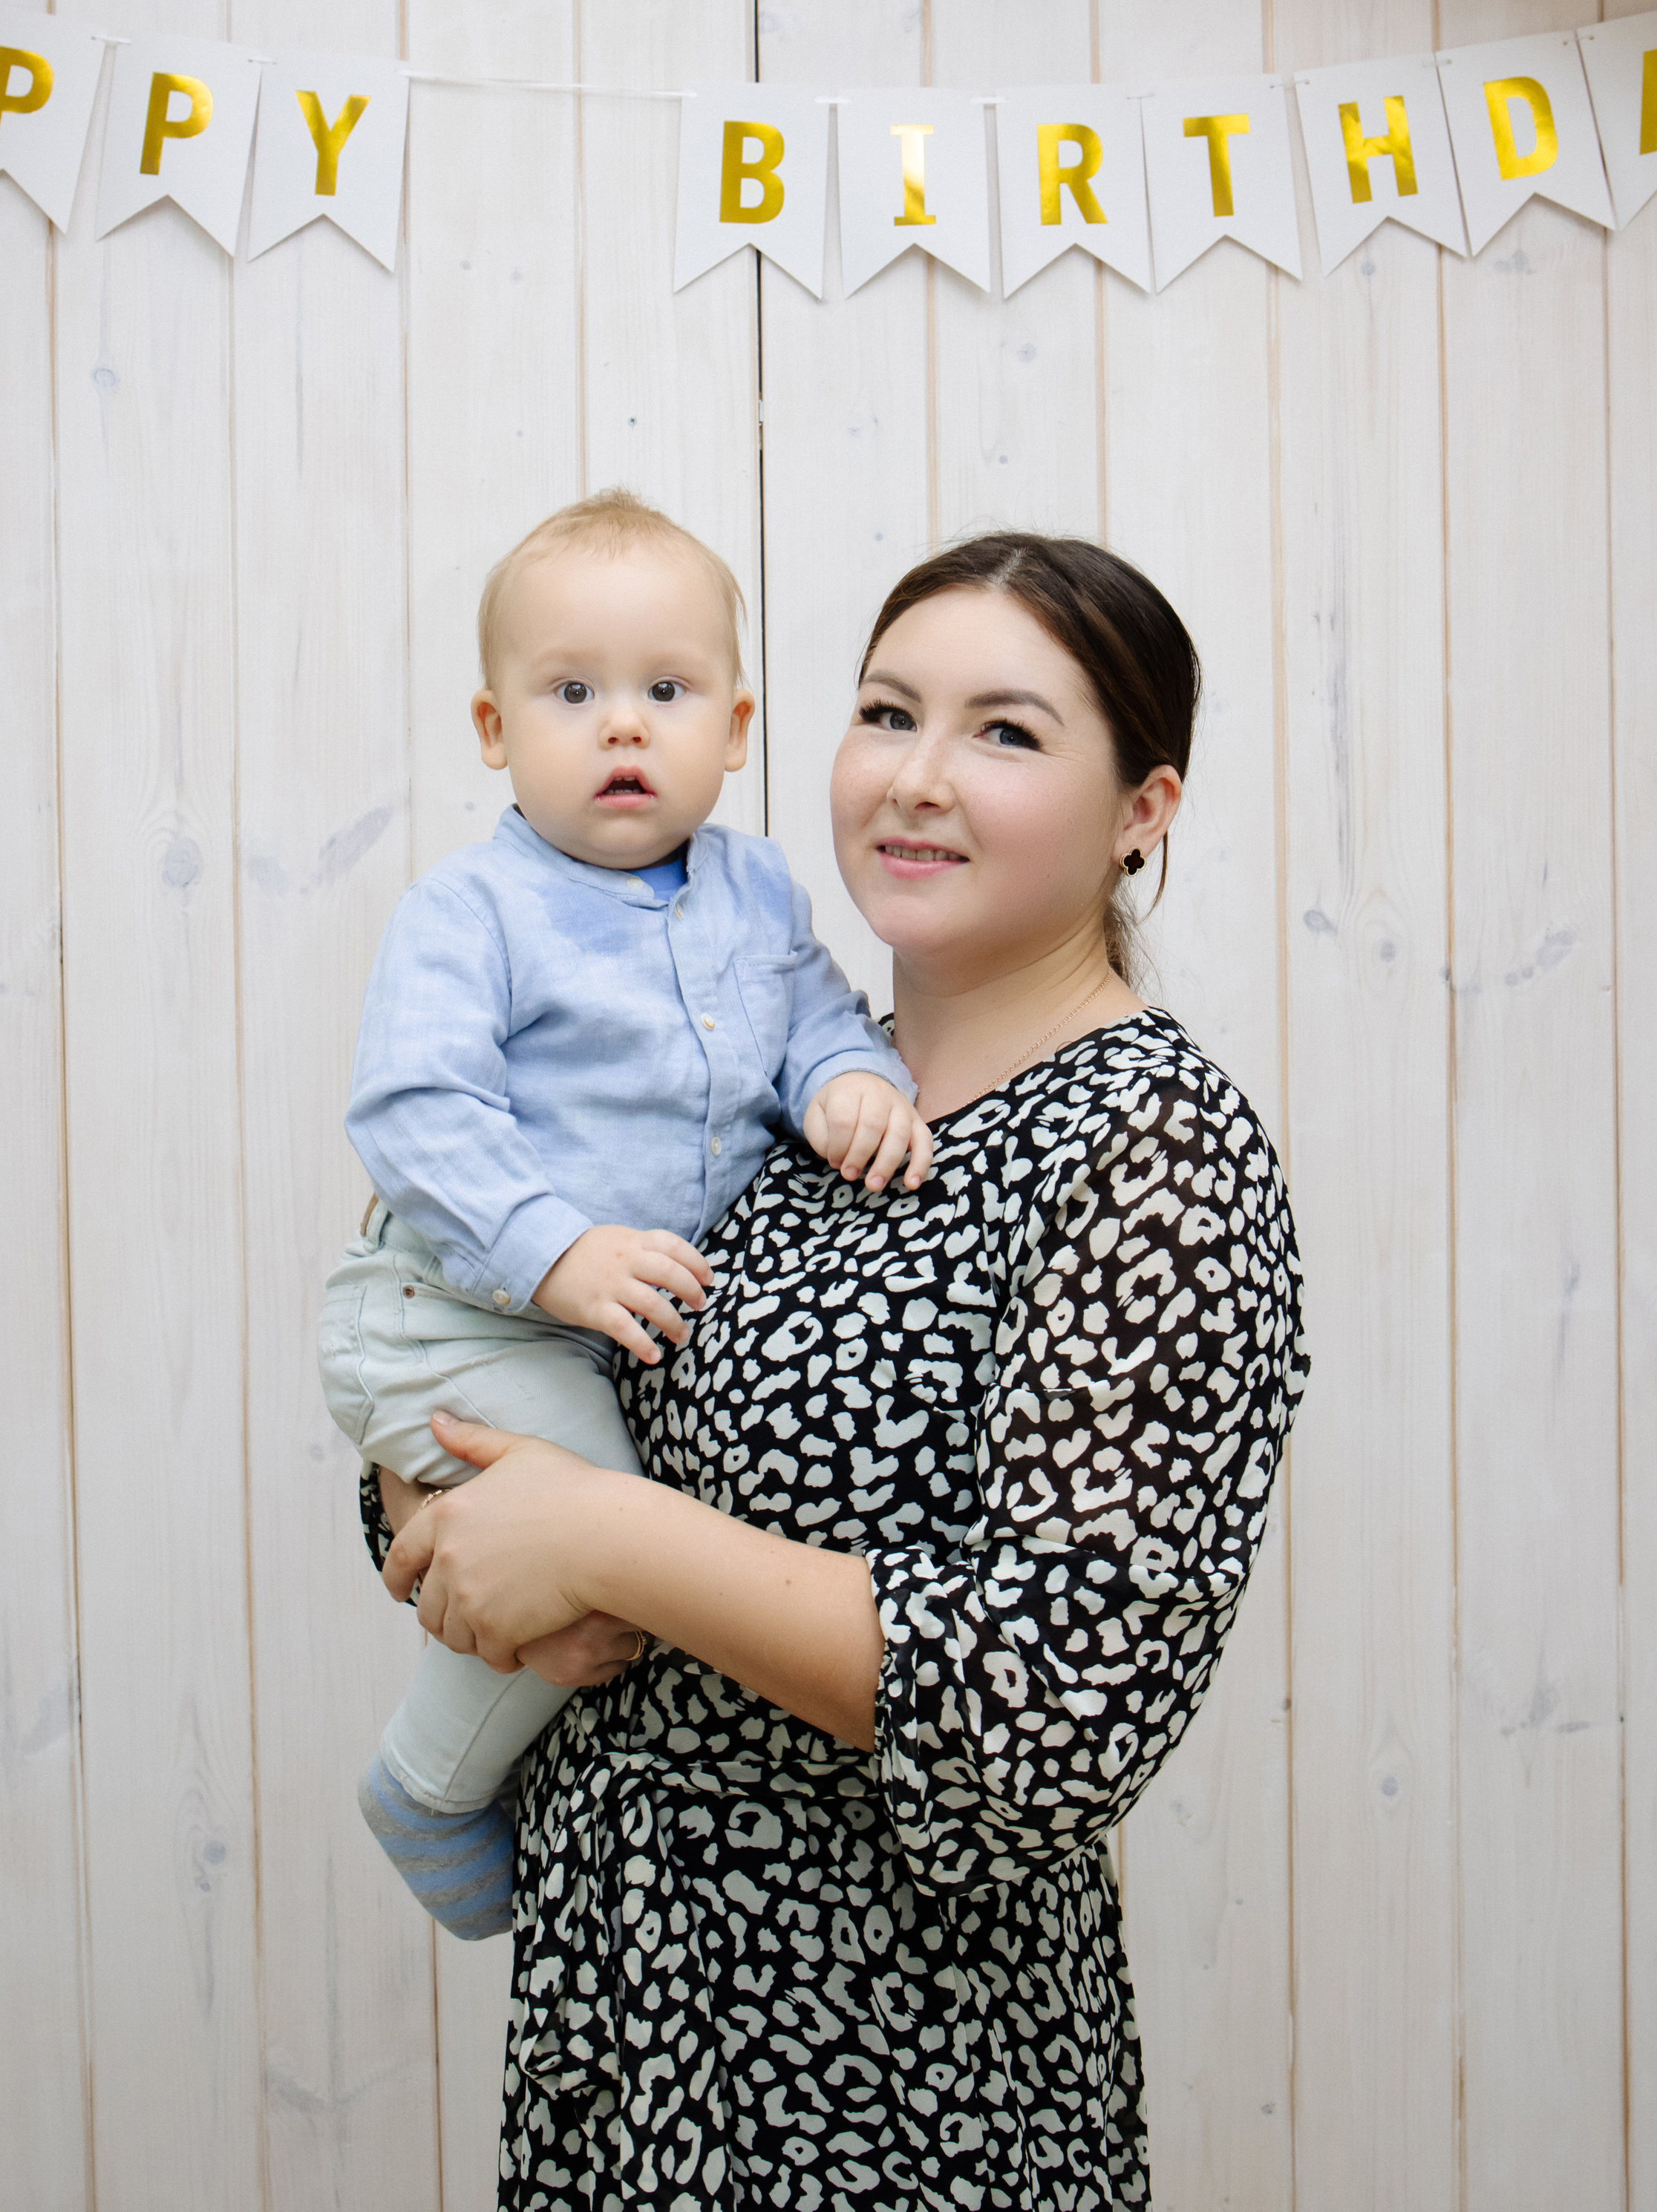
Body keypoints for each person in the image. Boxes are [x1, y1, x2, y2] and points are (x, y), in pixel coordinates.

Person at [375, 528, 1309, 2211]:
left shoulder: (1149, 1152)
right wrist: (418, 1491)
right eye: (886, 712)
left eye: (1005, 733)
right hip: (622, 2051)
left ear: (1141, 812)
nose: (916, 779)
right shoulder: (781, 1099)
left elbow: (1057, 1711)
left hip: (894, 2088)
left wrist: (600, 1542)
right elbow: (497, 1355)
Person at [321, 490, 932, 1940]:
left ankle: (489, 1731)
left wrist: (850, 1082)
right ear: (492, 730)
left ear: (732, 728)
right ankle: (425, 1780)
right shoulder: (471, 912)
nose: (620, 728)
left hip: (568, 1341)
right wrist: (555, 1247)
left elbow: (811, 1021)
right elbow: (413, 1113)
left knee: (598, 1508)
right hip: (448, 1310)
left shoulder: (752, 888)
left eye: (665, 692)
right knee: (593, 1509)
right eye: (571, 692)